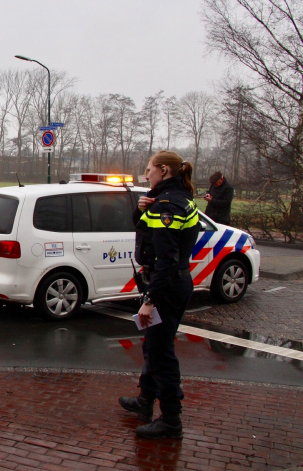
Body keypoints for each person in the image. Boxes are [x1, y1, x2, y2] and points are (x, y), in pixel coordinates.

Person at [119, 150, 201, 439]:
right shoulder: (176, 199)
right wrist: (141, 209)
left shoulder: (166, 206)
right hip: (172, 284)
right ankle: (144, 402)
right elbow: (146, 230)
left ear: (164, 170)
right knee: (153, 346)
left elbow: (167, 259)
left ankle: (170, 420)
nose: (146, 175)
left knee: (161, 353)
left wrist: (150, 300)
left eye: (149, 169)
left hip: (165, 287)